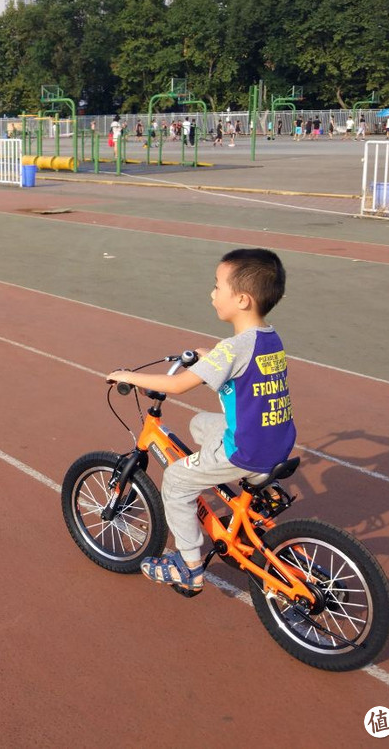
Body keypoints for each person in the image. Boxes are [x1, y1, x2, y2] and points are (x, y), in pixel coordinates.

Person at [106, 249, 296, 595]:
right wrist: (212, 356)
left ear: (241, 299)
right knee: (199, 424)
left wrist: (131, 377)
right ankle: (260, 491)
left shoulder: (233, 349)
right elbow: (238, 364)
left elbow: (177, 385)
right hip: (277, 440)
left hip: (245, 451)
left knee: (177, 480)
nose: (212, 293)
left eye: (217, 286)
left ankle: (188, 566)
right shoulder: (269, 337)